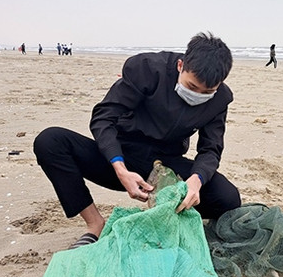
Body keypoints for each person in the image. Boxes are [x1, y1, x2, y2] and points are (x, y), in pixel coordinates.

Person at [33, 33, 241, 249]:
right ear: (180, 65)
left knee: (228, 198)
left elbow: (211, 149)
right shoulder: (147, 69)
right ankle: (95, 224)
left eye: (207, 92)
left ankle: (167, 215)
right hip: (120, 155)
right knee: (50, 141)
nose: (198, 95)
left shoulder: (220, 99)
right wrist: (120, 168)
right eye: (192, 87)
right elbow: (103, 118)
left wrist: (196, 181)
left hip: (164, 167)